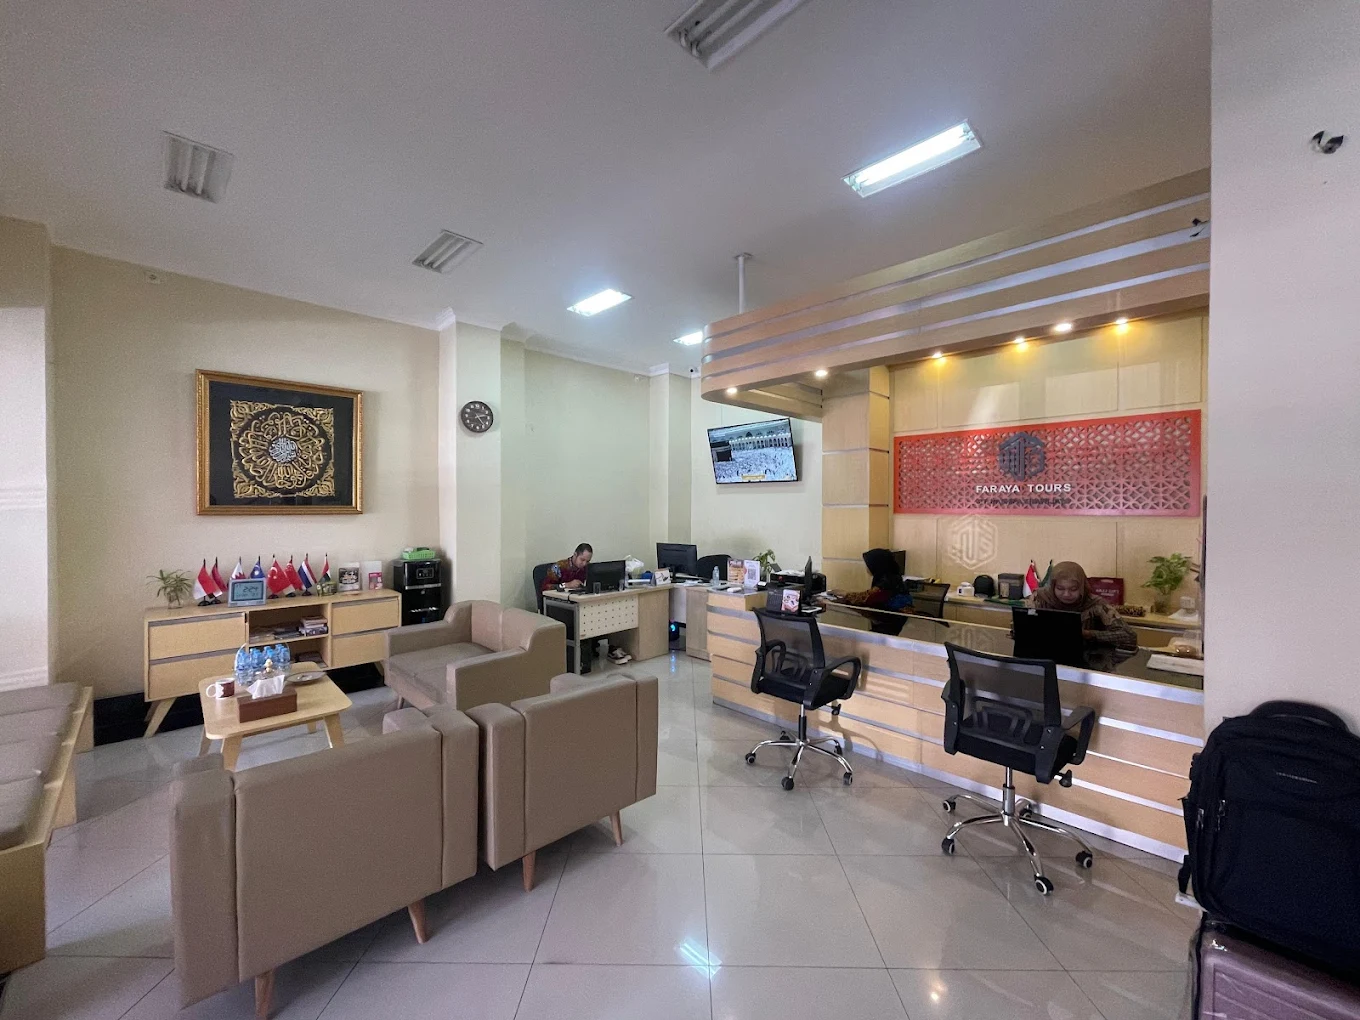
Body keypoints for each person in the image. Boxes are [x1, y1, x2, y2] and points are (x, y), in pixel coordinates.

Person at [1028, 560, 1137, 671]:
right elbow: (1025, 626)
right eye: (1060, 588)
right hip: (1045, 661)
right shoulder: (1041, 598)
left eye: (1073, 589)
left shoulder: (1096, 604)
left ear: (1082, 587)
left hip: (1088, 665)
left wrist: (1090, 634)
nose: (1066, 594)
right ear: (1052, 586)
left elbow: (1129, 636)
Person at [540, 543, 630, 669]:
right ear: (575, 555)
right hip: (560, 606)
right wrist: (566, 585)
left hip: (579, 602)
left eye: (587, 561)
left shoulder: (586, 569)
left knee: (604, 611)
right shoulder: (559, 567)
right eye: (582, 560)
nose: (584, 564)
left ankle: (610, 647)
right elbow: (544, 587)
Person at [835, 548, 913, 611]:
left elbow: (867, 598)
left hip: (893, 620)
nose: (866, 567)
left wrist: (845, 594)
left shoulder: (886, 583)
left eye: (868, 565)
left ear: (877, 565)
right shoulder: (892, 577)